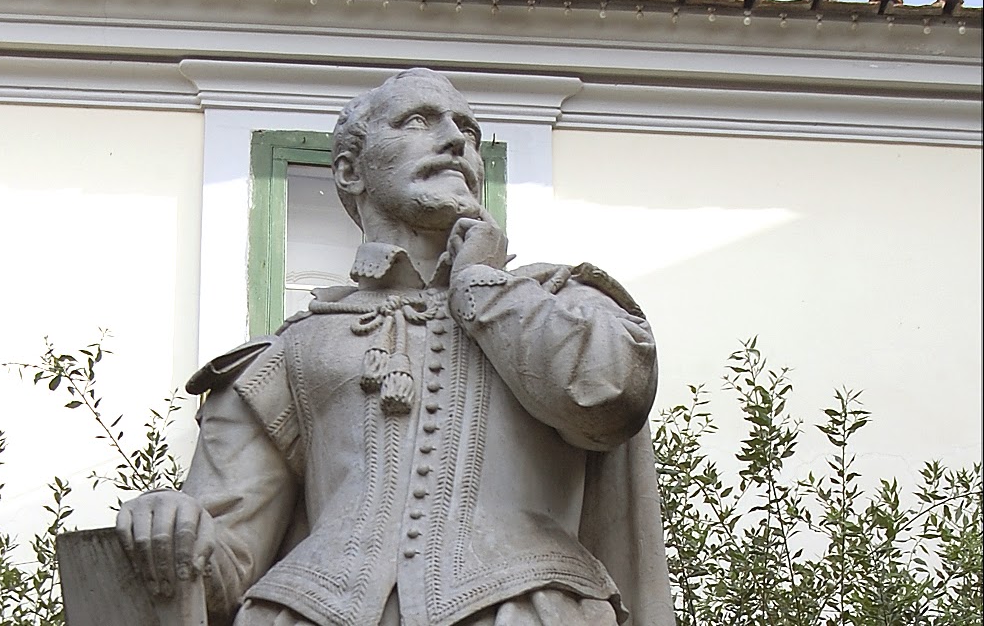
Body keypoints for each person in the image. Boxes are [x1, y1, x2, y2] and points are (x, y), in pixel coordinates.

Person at [116, 68, 672, 626]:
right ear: (350, 170)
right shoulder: (289, 353)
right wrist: (172, 527)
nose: (456, 140)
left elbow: (607, 395)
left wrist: (482, 282)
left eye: (469, 132)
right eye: (417, 121)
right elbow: (224, 569)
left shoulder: (557, 301)